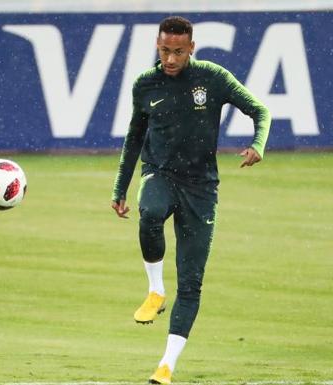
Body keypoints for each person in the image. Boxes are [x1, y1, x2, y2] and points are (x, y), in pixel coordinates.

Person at [111, 16, 270, 384]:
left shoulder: (211, 78)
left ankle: (166, 365)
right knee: (149, 211)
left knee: (192, 283)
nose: (170, 59)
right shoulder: (145, 85)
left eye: (178, 52)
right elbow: (134, 137)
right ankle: (155, 289)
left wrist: (258, 145)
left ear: (191, 49)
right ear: (158, 45)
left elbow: (260, 111)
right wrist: (119, 187)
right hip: (160, 174)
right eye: (165, 50)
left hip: (202, 189)